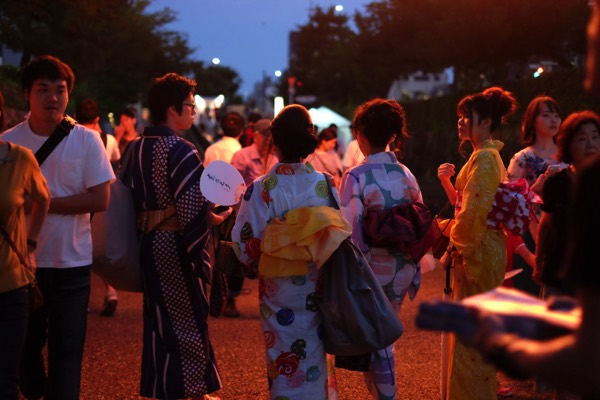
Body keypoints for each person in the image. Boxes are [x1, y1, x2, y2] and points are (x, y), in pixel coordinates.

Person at [1, 55, 115, 400]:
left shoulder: (86, 140)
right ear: (26, 95)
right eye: (43, 89)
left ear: (69, 94)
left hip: (72, 266)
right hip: (20, 268)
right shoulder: (8, 144)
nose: (52, 97)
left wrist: (40, 204)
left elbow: (100, 200)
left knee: (68, 357)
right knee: (24, 357)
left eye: (60, 90)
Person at [232, 104, 341, 399]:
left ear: (274, 141)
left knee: (283, 358)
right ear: (309, 139)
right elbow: (339, 236)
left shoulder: (262, 187)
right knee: (316, 352)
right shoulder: (325, 184)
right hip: (316, 286)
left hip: (276, 291)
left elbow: (245, 244)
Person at [128, 73, 221, 400]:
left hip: (147, 242)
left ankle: (165, 386)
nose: (193, 111)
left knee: (158, 317)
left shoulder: (136, 148)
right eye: (189, 105)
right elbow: (191, 206)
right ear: (172, 109)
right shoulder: (181, 150)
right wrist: (202, 252)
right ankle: (192, 392)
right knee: (189, 316)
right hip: (175, 244)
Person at [436, 86, 517, 400]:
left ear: (486, 124)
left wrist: (458, 246)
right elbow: (467, 207)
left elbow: (472, 214)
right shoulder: (484, 155)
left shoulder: (484, 159)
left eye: (467, 117)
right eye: (460, 116)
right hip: (483, 247)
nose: (461, 122)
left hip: (479, 250)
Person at [339, 98, 422, 399]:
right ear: (392, 135)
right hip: (402, 265)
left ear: (360, 133)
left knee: (379, 339)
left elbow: (349, 230)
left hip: (372, 267)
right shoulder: (406, 173)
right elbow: (419, 217)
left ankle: (387, 396)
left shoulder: (355, 176)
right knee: (383, 332)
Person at [0, 89, 50, 400]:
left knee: (6, 380)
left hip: (11, 287)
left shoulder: (20, 158)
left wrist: (30, 241)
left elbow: (43, 200)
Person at [534, 110, 600, 295]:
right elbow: (546, 225)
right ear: (568, 145)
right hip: (559, 272)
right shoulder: (557, 183)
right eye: (582, 139)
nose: (591, 144)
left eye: (595, 137)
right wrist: (539, 263)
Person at [75, 98, 121, 316]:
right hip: (101, 199)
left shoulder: (69, 136)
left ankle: (79, 298)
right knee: (100, 248)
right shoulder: (107, 139)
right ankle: (111, 291)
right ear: (96, 119)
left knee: (79, 247)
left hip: (76, 199)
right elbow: (115, 163)